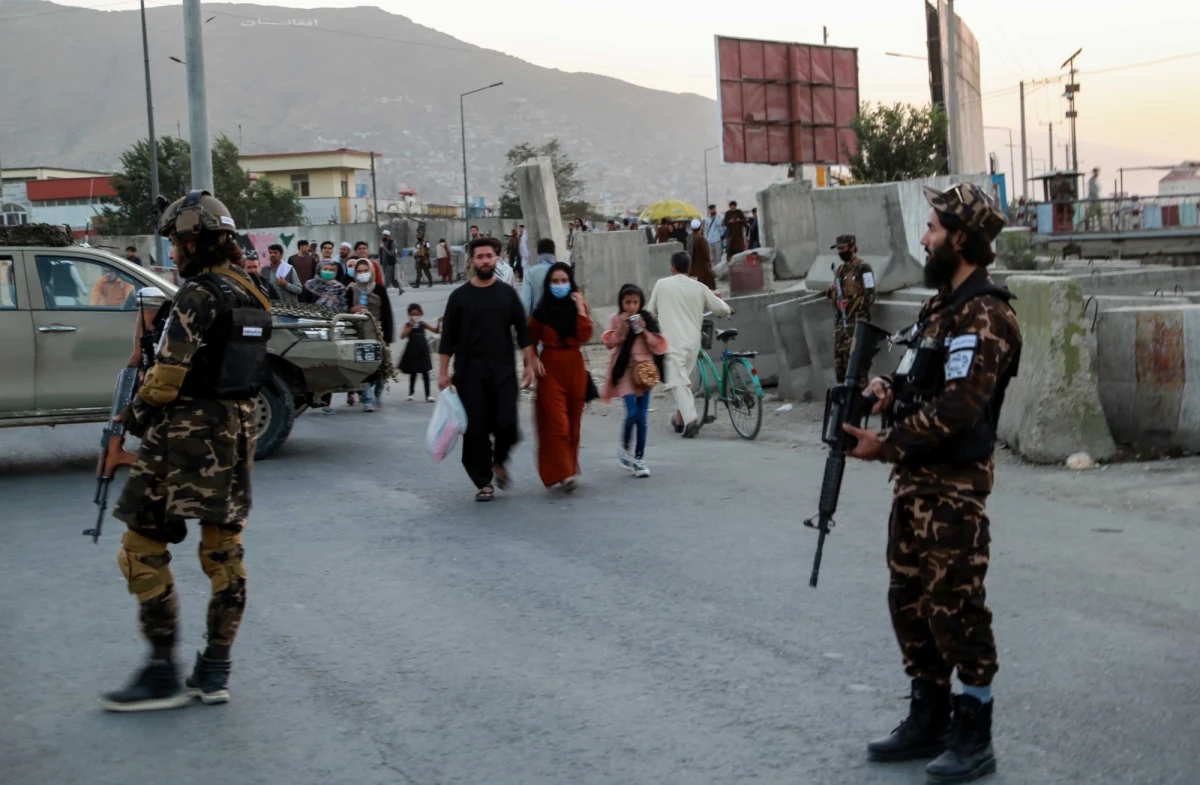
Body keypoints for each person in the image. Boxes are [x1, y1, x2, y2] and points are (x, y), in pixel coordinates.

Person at [843, 182, 1020, 784]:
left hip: (954, 489)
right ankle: (929, 717)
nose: (924, 237)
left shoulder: (986, 312)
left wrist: (885, 443)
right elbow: (920, 374)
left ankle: (975, 733)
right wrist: (882, 392)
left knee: (956, 605)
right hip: (915, 483)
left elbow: (959, 407)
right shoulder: (940, 306)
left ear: (961, 239)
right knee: (910, 601)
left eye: (933, 228)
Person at [102, 189, 272, 711]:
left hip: (185, 440)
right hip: (237, 436)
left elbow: (165, 378)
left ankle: (161, 673)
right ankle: (214, 671)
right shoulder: (255, 292)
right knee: (225, 557)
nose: (173, 252)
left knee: (141, 549)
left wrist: (129, 420)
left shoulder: (198, 294)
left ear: (197, 241)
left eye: (177, 242)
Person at [438, 237, 540, 502]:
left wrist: (528, 364)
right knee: (476, 431)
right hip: (469, 374)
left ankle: (500, 460)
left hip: (503, 371)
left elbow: (523, 331)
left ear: (497, 259)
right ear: (471, 261)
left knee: (508, 425)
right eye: (479, 256)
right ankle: (483, 482)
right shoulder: (458, 297)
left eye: (489, 256)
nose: (484, 260)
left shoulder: (507, 294)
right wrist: (442, 372)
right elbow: (447, 338)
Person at [647, 251, 732, 437]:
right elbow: (719, 306)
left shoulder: (662, 285)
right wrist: (727, 311)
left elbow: (649, 312)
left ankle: (691, 421)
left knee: (678, 382)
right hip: (694, 342)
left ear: (672, 267)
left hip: (672, 341)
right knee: (683, 382)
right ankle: (679, 420)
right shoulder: (699, 287)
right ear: (689, 268)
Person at [528, 262, 593, 491]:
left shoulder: (578, 307)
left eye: (564, 281)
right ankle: (564, 473)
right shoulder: (541, 311)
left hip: (575, 367)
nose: (559, 285)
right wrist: (533, 361)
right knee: (558, 424)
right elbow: (529, 339)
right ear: (548, 284)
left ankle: (569, 467)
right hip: (550, 368)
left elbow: (585, 335)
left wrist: (581, 310)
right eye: (555, 281)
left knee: (574, 423)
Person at [602, 283, 667, 479]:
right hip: (624, 371)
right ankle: (625, 446)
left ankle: (640, 459)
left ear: (641, 303)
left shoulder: (646, 318)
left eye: (635, 302)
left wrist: (644, 331)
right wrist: (623, 328)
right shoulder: (616, 319)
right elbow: (609, 343)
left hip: (644, 371)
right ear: (621, 303)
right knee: (632, 412)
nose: (631, 306)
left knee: (642, 416)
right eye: (627, 302)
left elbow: (659, 346)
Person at [826, 234, 877, 386]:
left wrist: (850, 303)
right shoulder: (840, 270)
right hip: (841, 328)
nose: (840, 251)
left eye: (843, 248)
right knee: (840, 368)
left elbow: (871, 295)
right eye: (838, 249)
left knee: (857, 368)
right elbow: (833, 297)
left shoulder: (864, 268)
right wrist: (833, 293)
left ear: (853, 247)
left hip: (857, 325)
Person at [347, 259, 395, 412]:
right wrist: (352, 309)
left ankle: (377, 392)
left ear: (371, 272)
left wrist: (388, 338)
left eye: (365, 271)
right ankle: (367, 399)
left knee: (380, 367)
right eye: (359, 271)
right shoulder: (351, 289)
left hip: (378, 333)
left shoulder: (379, 289)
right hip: (358, 334)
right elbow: (343, 310)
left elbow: (387, 314)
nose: (362, 274)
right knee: (362, 367)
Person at [399, 303, 440, 401]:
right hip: (412, 349)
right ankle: (411, 392)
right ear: (409, 315)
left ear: (420, 314)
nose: (415, 316)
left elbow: (436, 331)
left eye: (417, 314)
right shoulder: (408, 325)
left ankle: (428, 395)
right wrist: (411, 326)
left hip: (423, 349)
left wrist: (439, 322)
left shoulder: (423, 324)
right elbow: (403, 336)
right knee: (413, 372)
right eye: (413, 314)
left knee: (425, 372)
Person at [521, 238, 557, 316]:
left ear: (538, 254)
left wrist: (524, 324)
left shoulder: (531, 273)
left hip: (538, 321)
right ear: (554, 253)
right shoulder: (562, 270)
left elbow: (526, 303)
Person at [686, 218, 717, 290]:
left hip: (694, 266)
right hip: (703, 266)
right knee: (709, 284)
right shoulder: (701, 239)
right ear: (700, 227)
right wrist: (709, 259)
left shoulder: (689, 237)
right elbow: (706, 252)